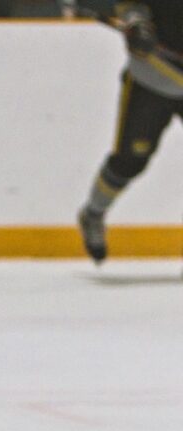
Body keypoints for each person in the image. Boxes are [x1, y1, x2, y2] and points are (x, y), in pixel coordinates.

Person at [77, 1, 183, 264]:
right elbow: (130, 4)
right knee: (130, 161)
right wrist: (137, 24)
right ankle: (94, 213)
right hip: (152, 81)